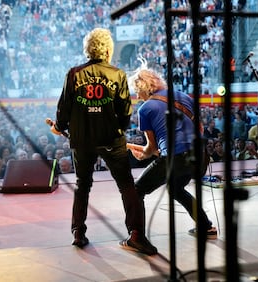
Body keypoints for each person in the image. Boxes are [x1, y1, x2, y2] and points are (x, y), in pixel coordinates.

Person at [50, 28, 157, 255]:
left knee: (83, 186)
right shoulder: (117, 75)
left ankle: (78, 233)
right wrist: (117, 128)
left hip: (82, 140)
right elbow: (126, 113)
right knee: (126, 186)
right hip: (111, 138)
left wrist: (59, 127)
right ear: (108, 49)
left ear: (88, 49)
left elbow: (63, 109)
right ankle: (136, 235)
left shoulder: (73, 74)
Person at [127, 61, 217, 240]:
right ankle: (206, 227)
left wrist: (140, 154)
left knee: (137, 190)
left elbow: (151, 149)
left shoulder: (145, 109)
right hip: (199, 154)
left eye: (137, 91)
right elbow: (199, 126)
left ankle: (137, 237)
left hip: (176, 157)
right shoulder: (182, 95)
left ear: (144, 87)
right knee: (175, 189)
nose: (137, 96)